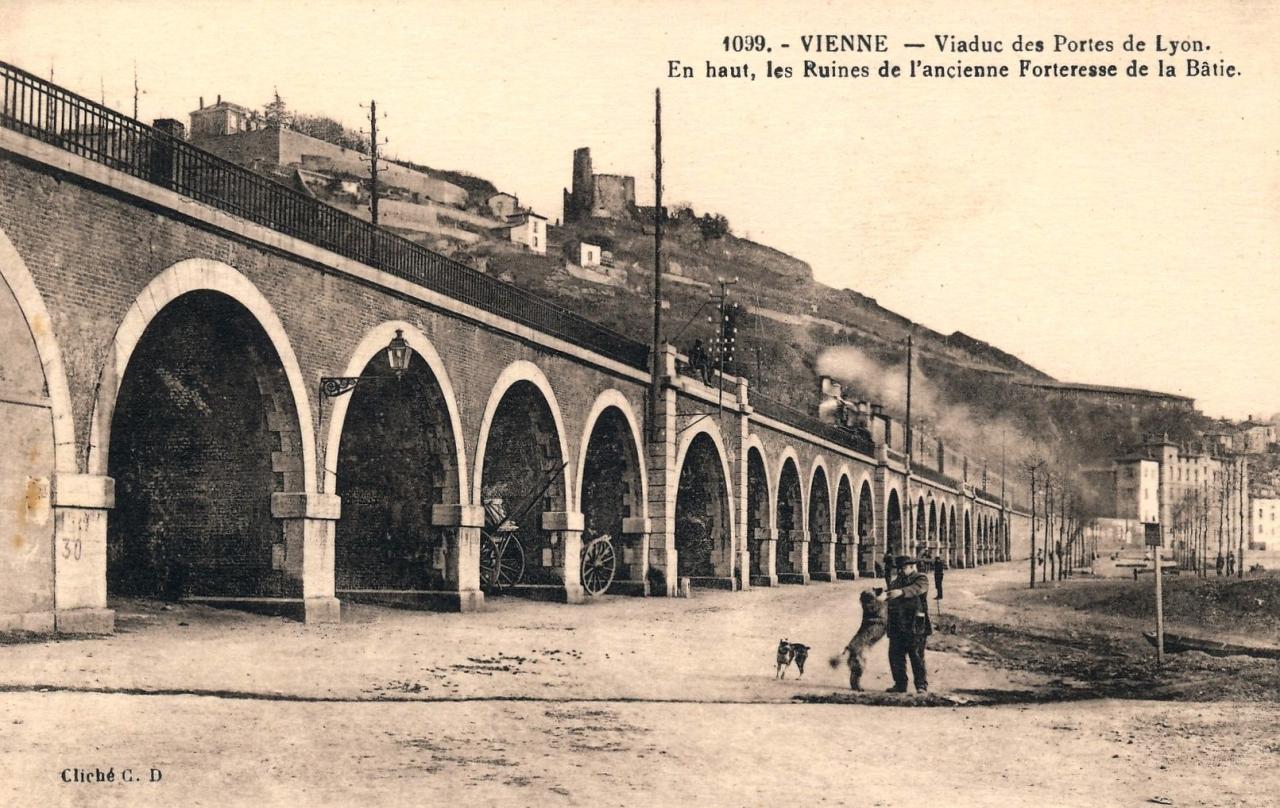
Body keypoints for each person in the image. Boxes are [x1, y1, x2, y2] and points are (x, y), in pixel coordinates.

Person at [879, 554, 931, 694]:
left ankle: (921, 685)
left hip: (915, 624)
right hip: (897, 624)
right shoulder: (896, 582)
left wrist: (901, 592)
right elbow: (890, 595)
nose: (900, 571)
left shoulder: (921, 578)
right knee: (895, 655)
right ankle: (900, 684)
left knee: (916, 655)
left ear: (911, 567)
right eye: (899, 569)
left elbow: (917, 589)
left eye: (903, 568)